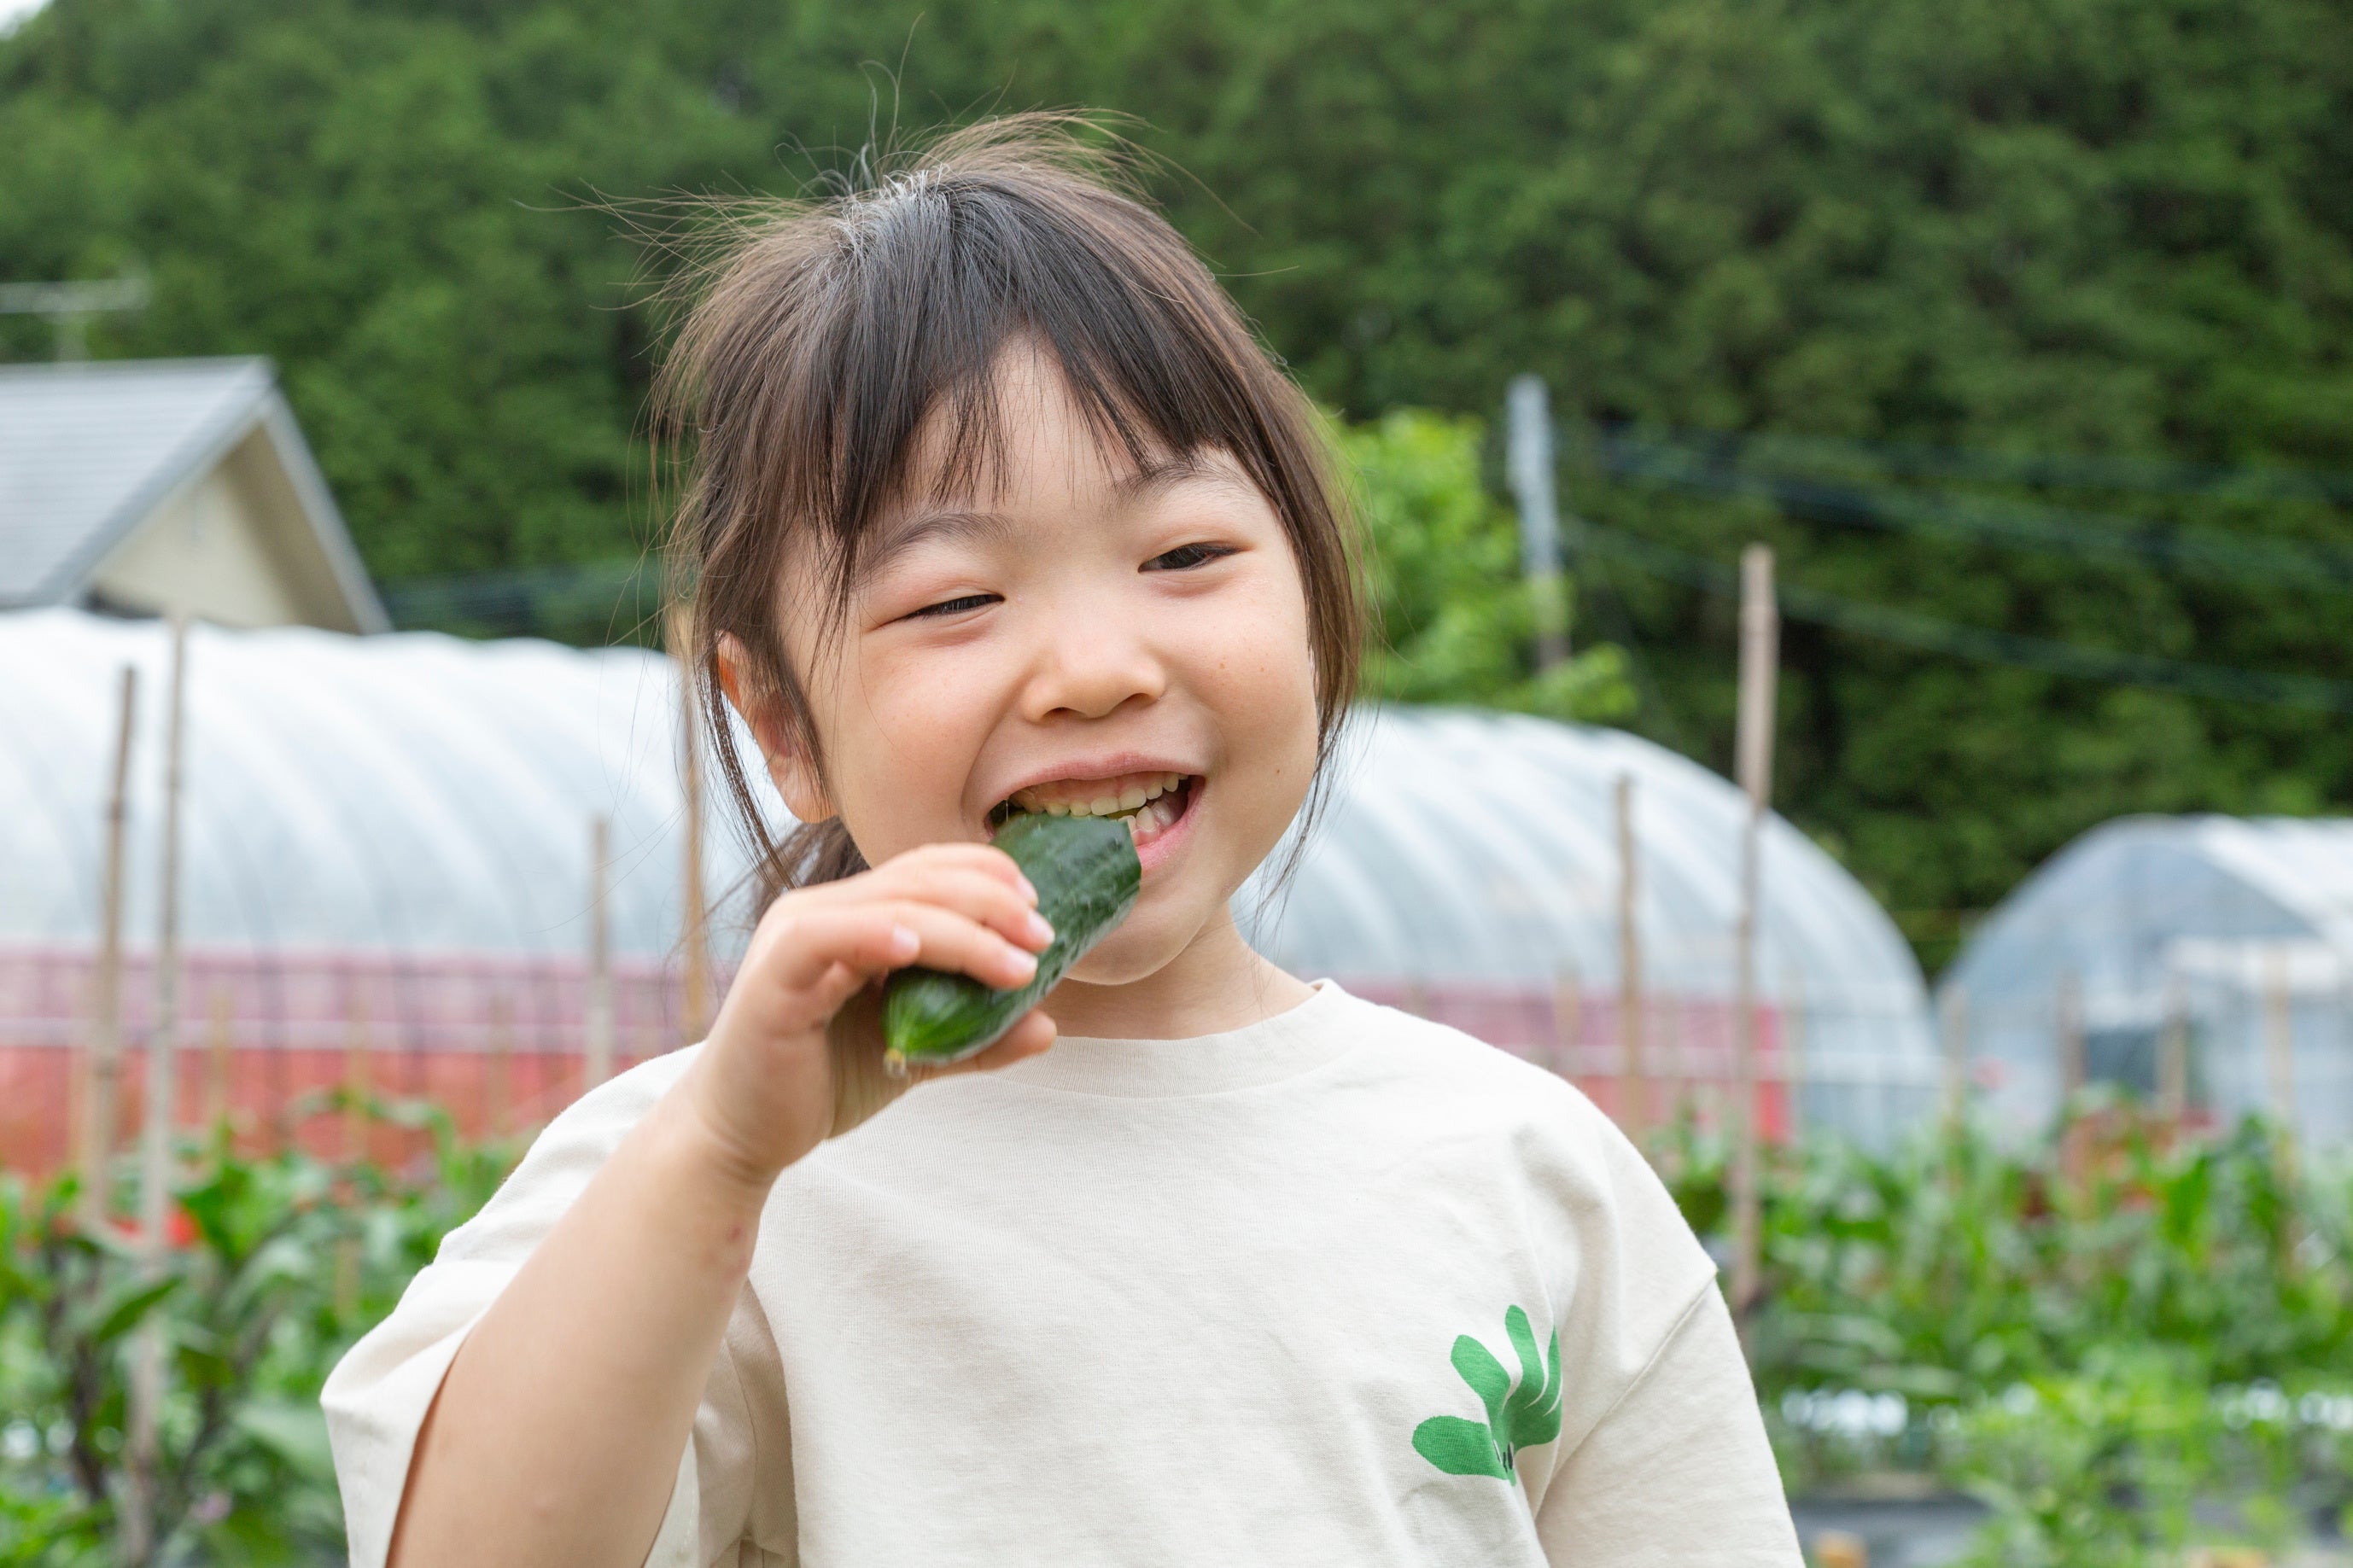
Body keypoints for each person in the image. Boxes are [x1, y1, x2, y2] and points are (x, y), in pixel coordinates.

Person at [321, 115, 1802, 1568]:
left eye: (1186, 554)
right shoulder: (703, 1175)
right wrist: (715, 1157)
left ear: (1313, 601)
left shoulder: (1526, 1172)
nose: (1095, 668)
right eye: (955, 599)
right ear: (780, 722)